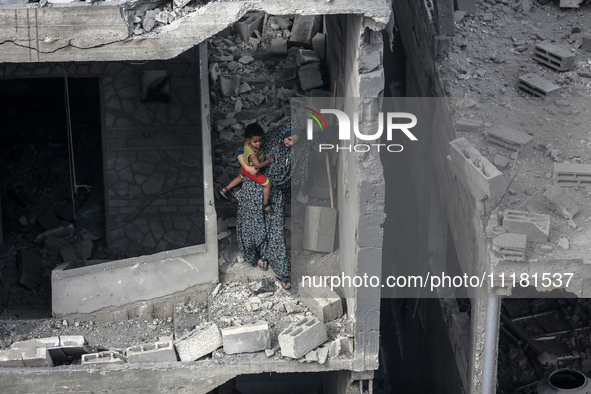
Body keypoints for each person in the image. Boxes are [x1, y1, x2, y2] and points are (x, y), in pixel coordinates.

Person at [235, 118, 307, 291]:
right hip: (254, 188)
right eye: (289, 139)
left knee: (275, 231)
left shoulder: (301, 150)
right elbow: (240, 150)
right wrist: (247, 166)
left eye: (294, 141)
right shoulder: (268, 139)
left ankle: (282, 271)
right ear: (283, 134)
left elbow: (301, 173)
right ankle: (256, 258)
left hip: (276, 193)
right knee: (252, 227)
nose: (290, 144)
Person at [219, 123, 275, 211]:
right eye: (255, 142)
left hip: (244, 169)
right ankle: (265, 203)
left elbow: (243, 142)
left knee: (241, 177)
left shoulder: (246, 143)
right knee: (268, 184)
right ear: (248, 140)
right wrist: (269, 161)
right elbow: (258, 165)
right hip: (252, 171)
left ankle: (226, 189)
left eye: (260, 140)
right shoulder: (252, 154)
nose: (258, 144)